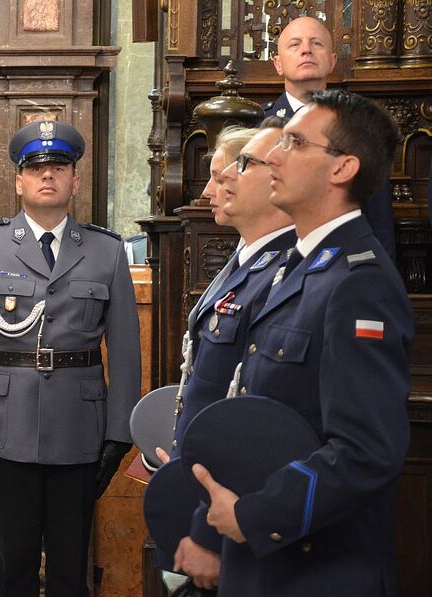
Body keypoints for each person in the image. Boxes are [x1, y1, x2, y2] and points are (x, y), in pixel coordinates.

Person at [193, 90, 413, 596]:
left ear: (342, 169)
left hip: (318, 568)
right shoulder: (299, 266)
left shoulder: (359, 283)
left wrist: (253, 514)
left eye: (294, 142)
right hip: (268, 561)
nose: (272, 155)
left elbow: (366, 452)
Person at [0, 120, 141, 596]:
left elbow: (124, 350)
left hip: (79, 431)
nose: (48, 176)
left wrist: (118, 436)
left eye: (59, 167)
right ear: (19, 181)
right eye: (36, 169)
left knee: (70, 568)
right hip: (5, 428)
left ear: (75, 181)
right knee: (12, 567)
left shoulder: (107, 250)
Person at [161, 119, 296, 593]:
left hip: (239, 495)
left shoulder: (283, 271)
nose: (213, 189)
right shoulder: (243, 261)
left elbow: (252, 408)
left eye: (227, 174)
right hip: (210, 481)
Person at [263, 16, 395, 259]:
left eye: (317, 44)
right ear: (278, 64)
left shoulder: (357, 123)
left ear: (333, 61)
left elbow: (377, 213)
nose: (306, 50)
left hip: (341, 261)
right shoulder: (257, 127)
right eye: (295, 45)